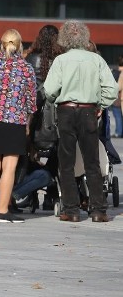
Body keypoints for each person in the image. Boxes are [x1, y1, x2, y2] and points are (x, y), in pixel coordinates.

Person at [43, 20, 118, 223]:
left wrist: (57, 99)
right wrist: (100, 105)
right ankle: (98, 210)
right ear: (84, 37)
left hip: (66, 110)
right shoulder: (96, 60)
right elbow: (112, 90)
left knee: (66, 162)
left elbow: (49, 90)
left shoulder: (60, 61)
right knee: (91, 161)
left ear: (64, 38)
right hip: (88, 111)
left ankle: (71, 209)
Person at [0, 29, 37, 223]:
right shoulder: (26, 68)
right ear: (20, 45)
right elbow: (31, 102)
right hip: (14, 120)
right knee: (9, 168)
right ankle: (3, 210)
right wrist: (27, 122)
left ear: (1, 45)